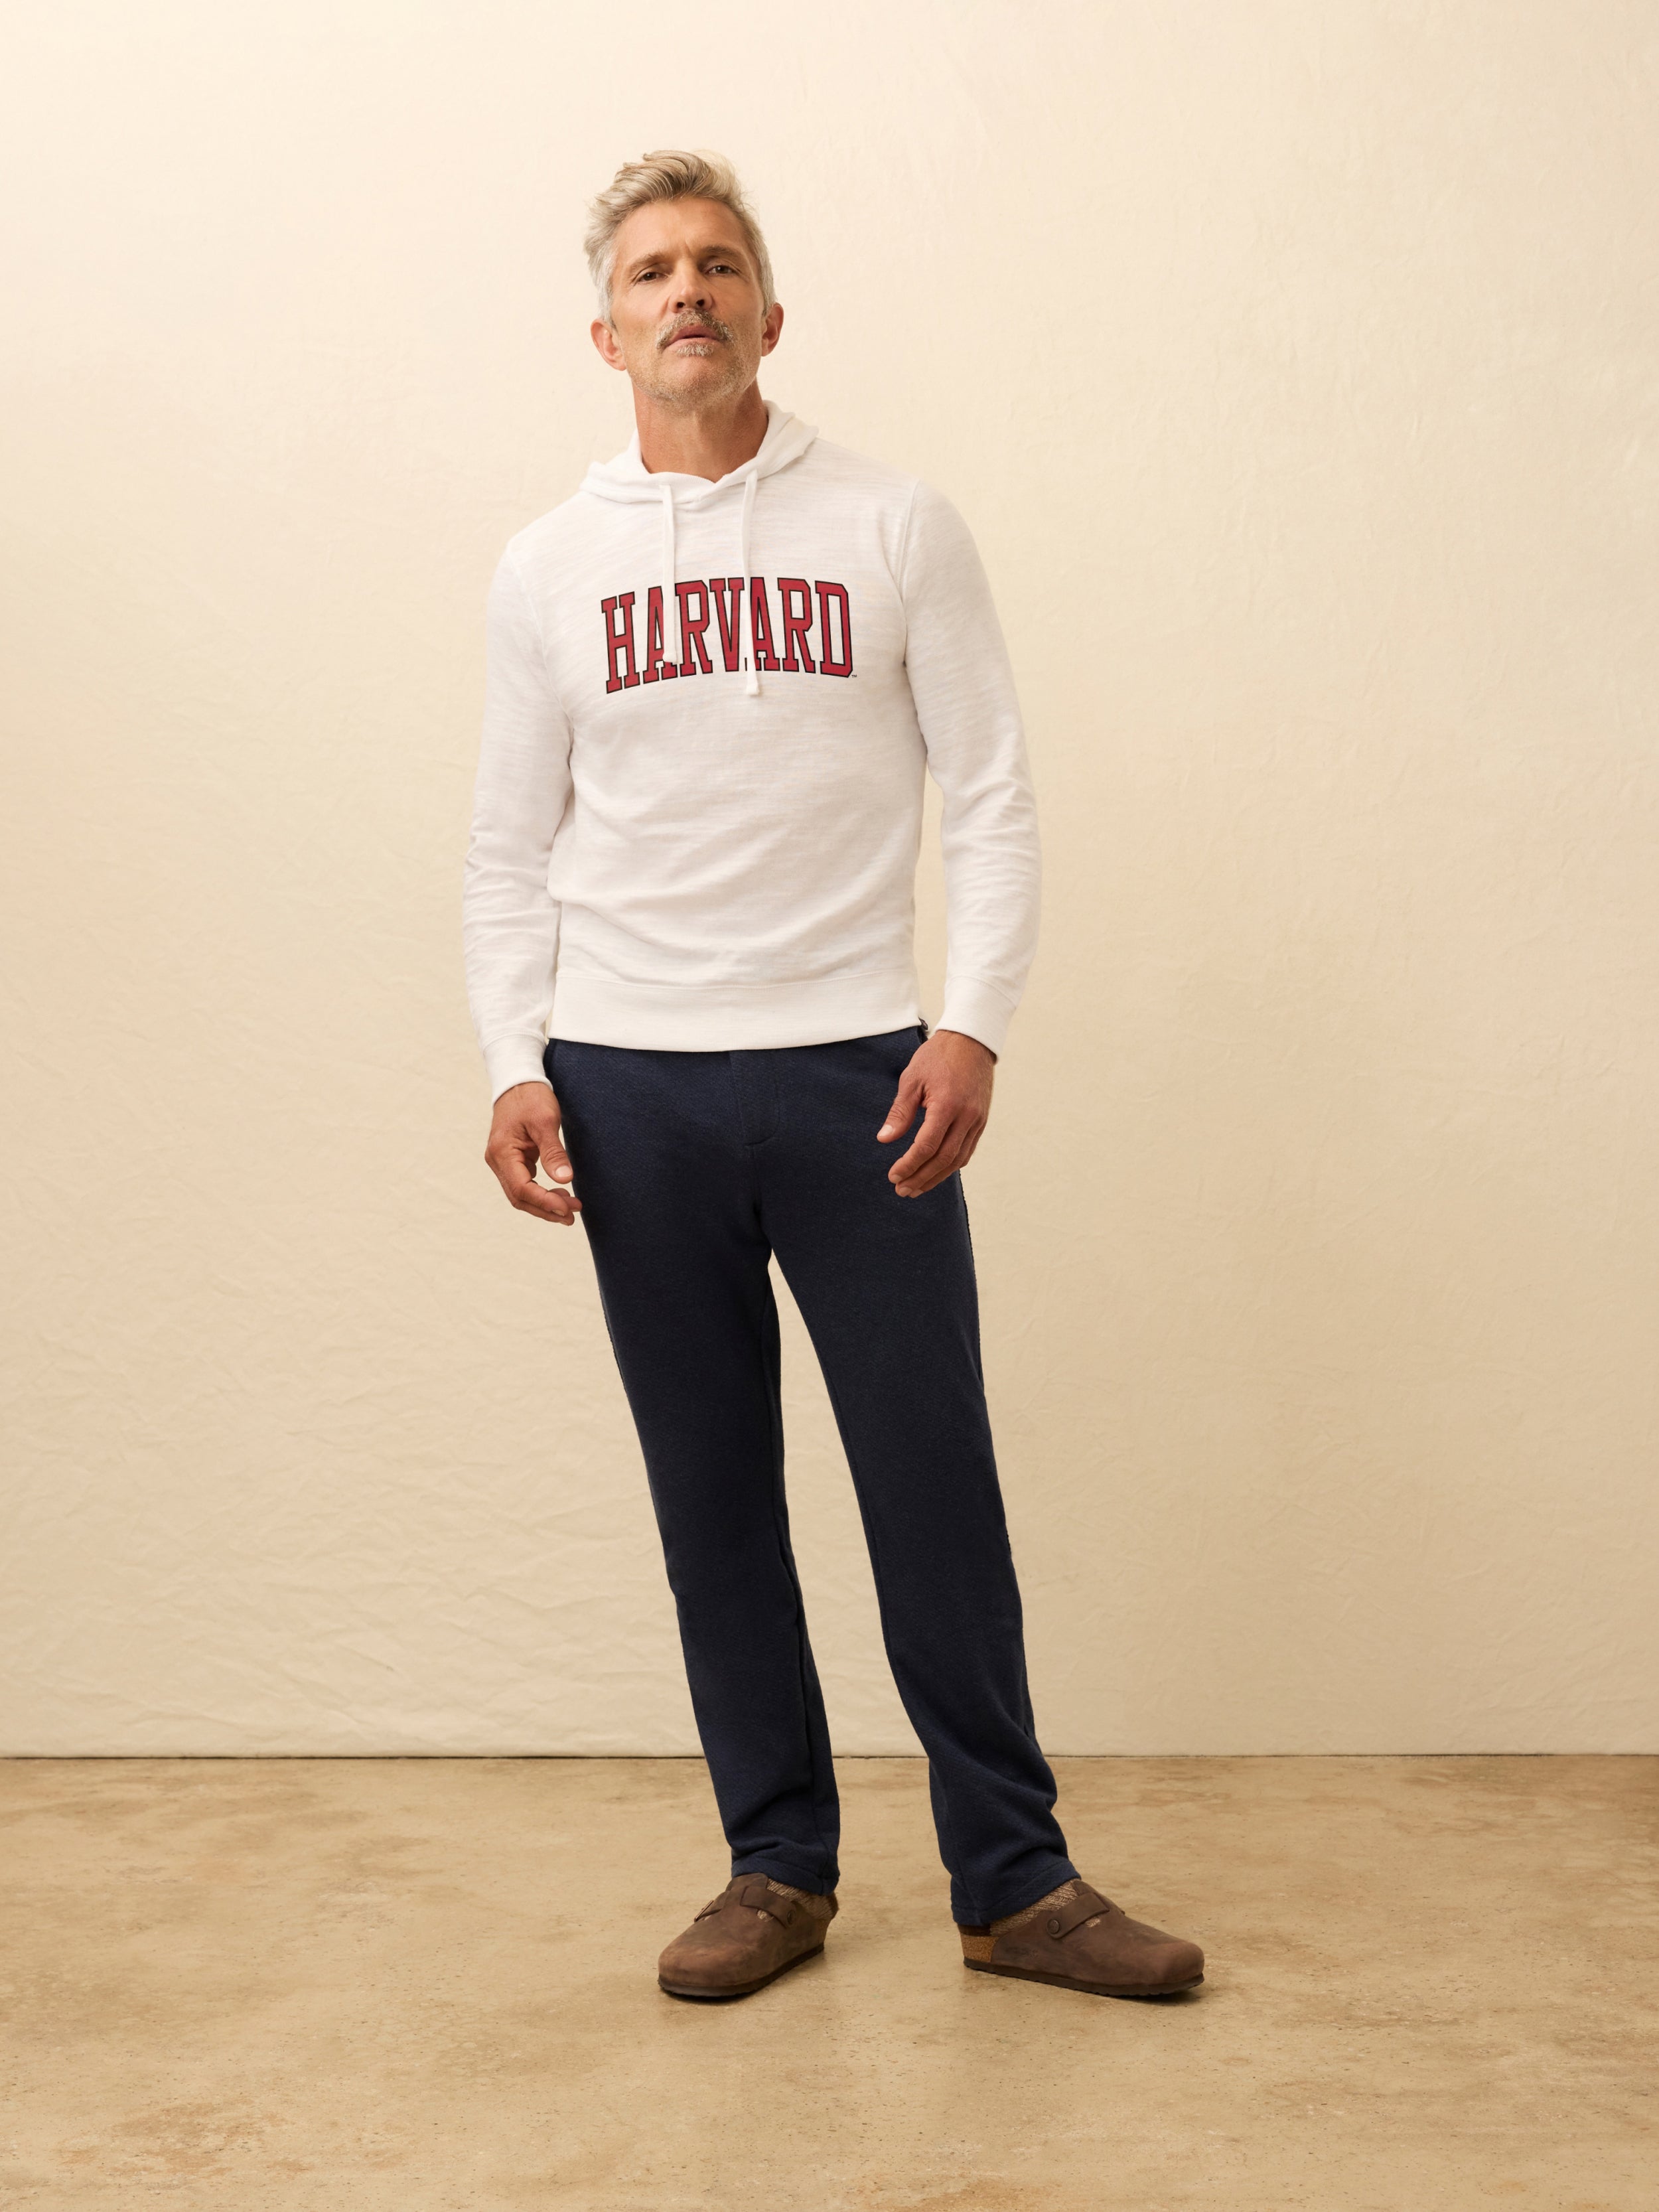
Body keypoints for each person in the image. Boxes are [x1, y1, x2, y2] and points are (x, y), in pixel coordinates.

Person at [463, 149, 1203, 2005]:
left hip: (857, 1074)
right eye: (650, 271)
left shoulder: (892, 524)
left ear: (769, 315)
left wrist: (971, 1023)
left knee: (926, 1477)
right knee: (712, 1491)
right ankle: (775, 1868)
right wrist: (511, 1060)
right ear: (605, 328)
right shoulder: (548, 568)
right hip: (630, 1085)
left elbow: (997, 793)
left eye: (718, 265)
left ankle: (1013, 1883)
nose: (685, 292)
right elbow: (504, 847)